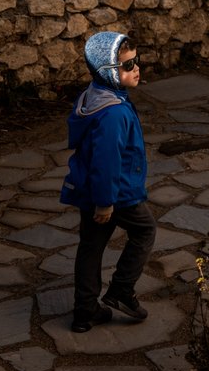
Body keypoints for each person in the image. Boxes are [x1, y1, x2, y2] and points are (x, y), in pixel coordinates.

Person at [60, 30, 157, 333]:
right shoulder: (113, 113)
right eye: (128, 65)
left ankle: (85, 311)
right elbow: (107, 161)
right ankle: (120, 291)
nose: (136, 68)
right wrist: (105, 202)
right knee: (144, 230)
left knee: (91, 246)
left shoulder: (96, 96)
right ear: (109, 73)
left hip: (93, 188)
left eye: (136, 61)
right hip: (116, 192)